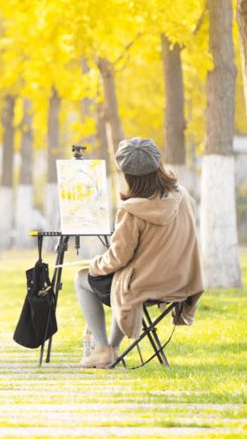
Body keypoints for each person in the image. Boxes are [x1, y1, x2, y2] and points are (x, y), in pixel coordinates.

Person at [75, 137, 204, 368]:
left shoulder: (131, 209)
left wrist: (95, 264)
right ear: (158, 164)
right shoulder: (184, 196)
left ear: (128, 175)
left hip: (144, 286)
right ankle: (112, 350)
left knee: (83, 278)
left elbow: (117, 258)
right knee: (123, 278)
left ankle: (105, 348)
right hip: (181, 283)